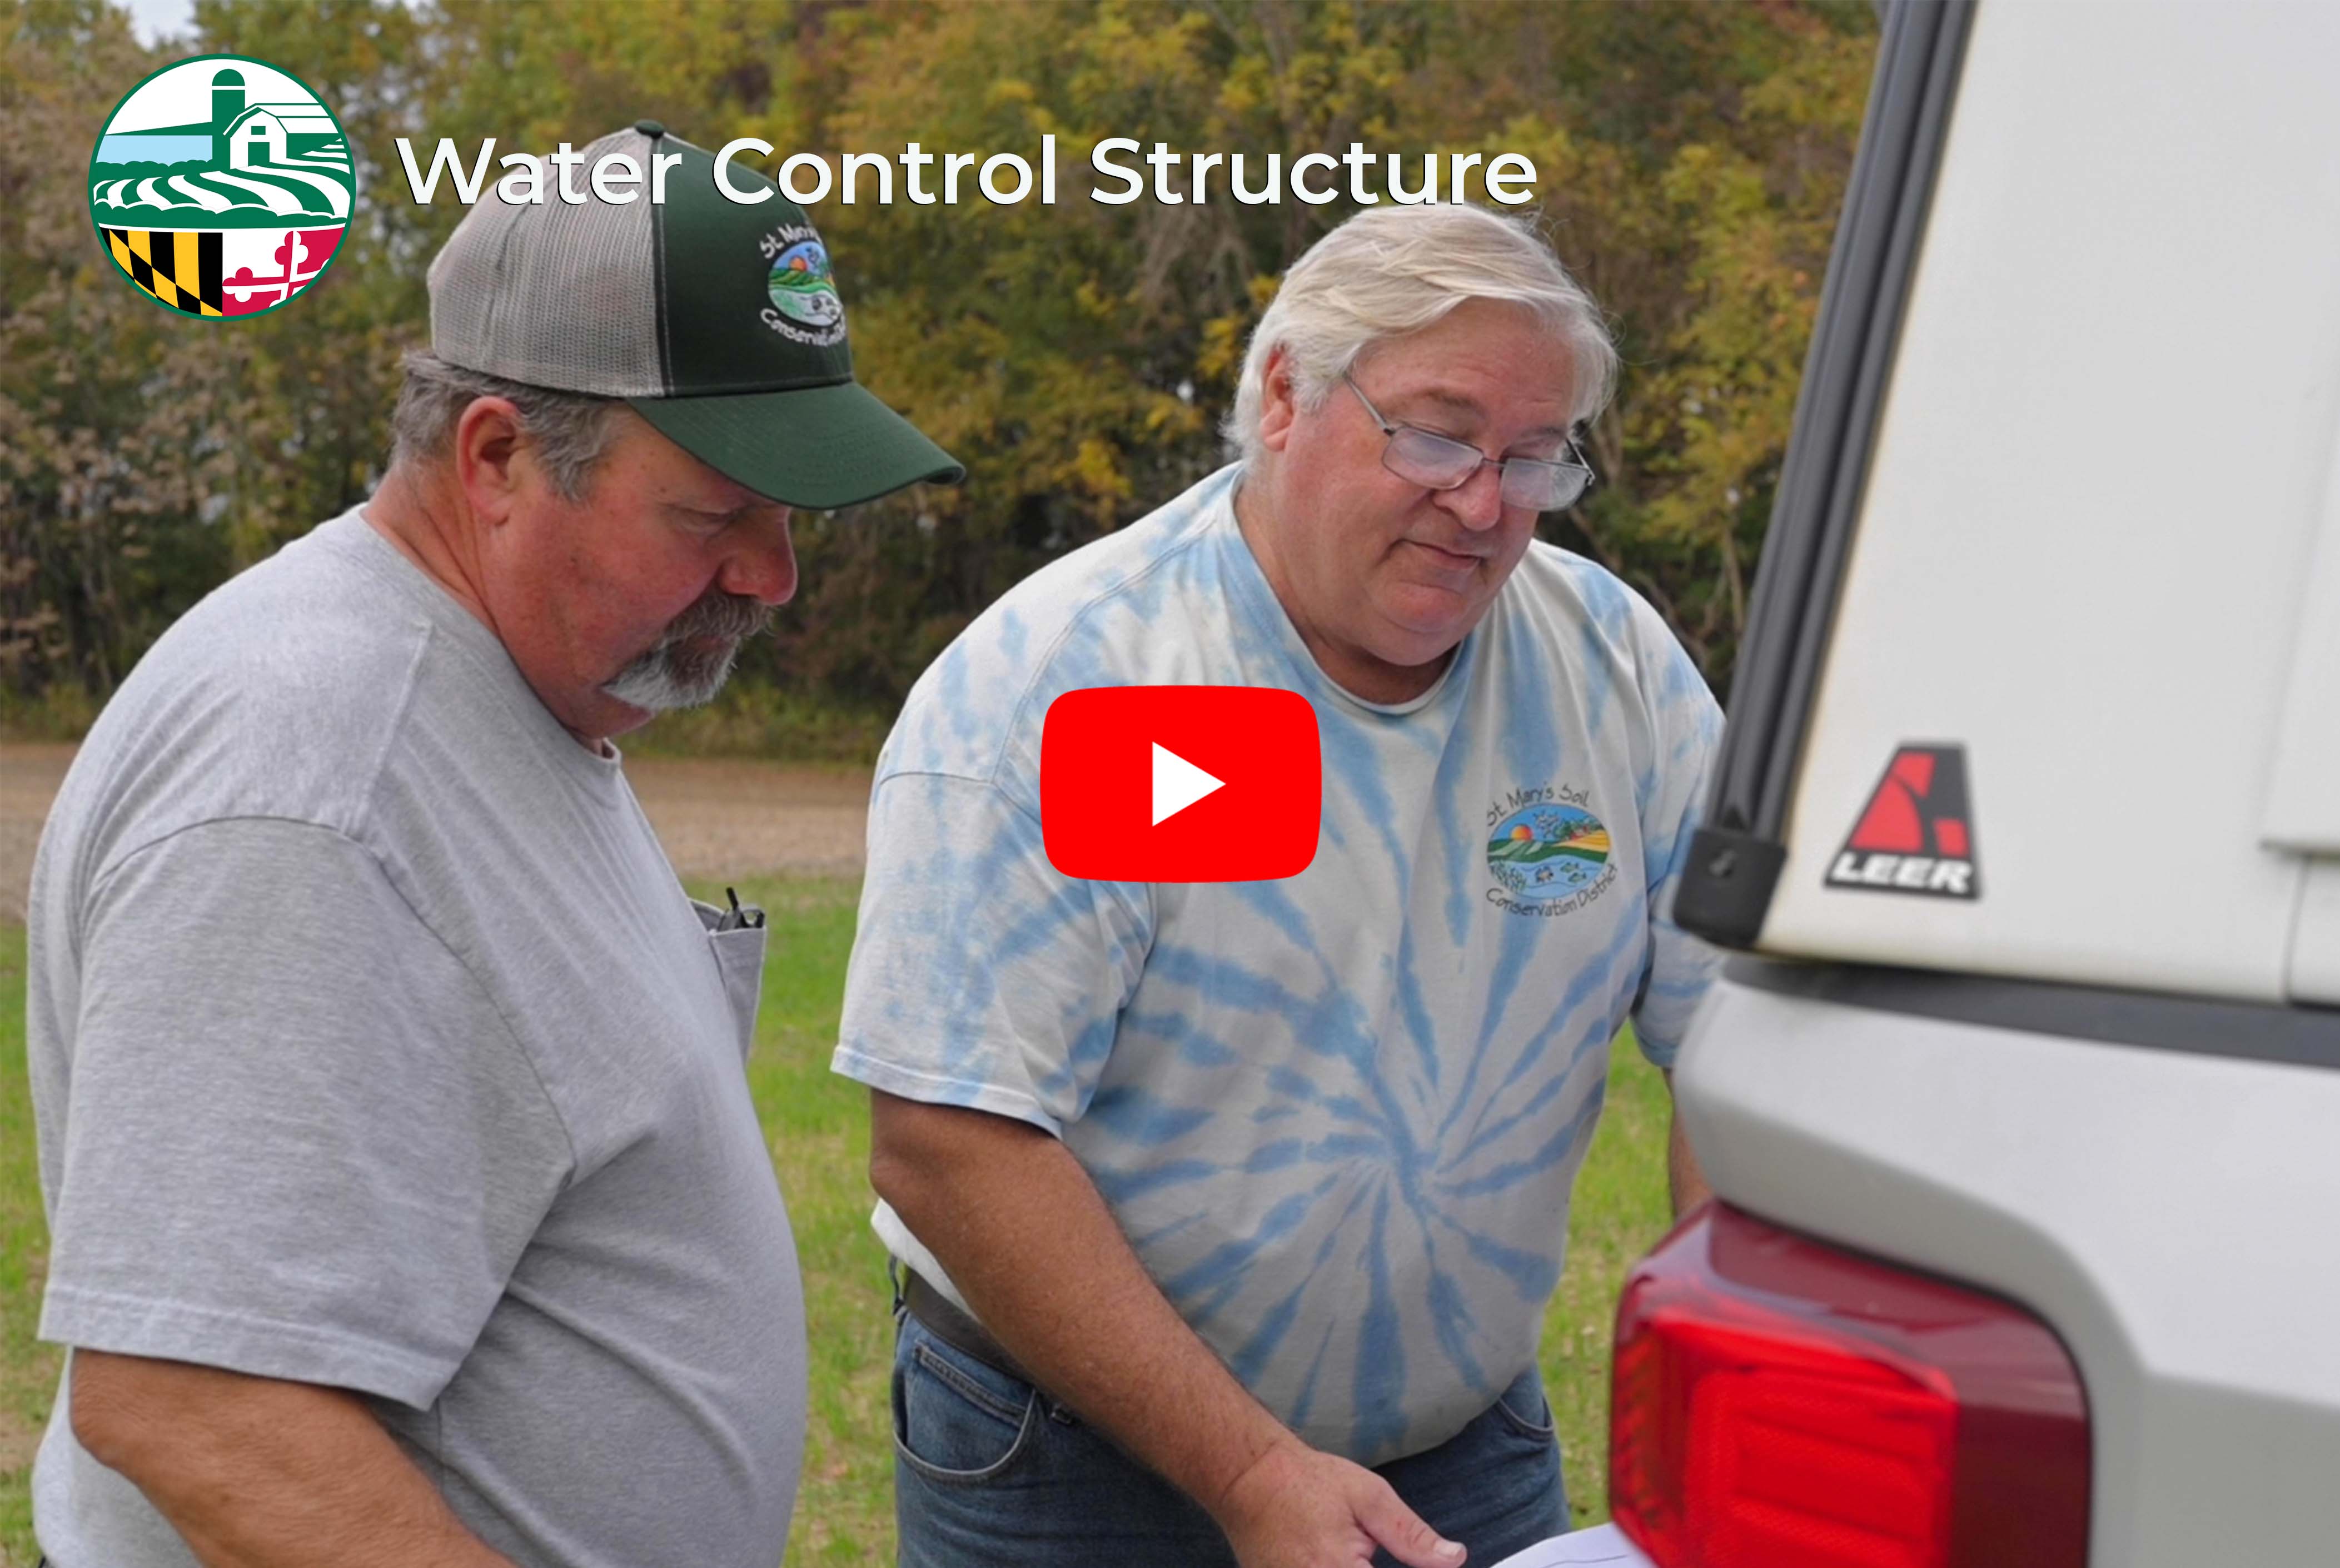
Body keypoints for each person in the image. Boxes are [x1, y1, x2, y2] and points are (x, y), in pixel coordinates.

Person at [24, 122, 959, 1568]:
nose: (772, 574)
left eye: (785, 514)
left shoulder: (516, 686)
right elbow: (200, 1402)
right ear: (499, 457)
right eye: (717, 510)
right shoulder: (317, 779)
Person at [833, 201, 1724, 1567]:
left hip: (1462, 1450)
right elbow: (951, 1141)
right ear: (1284, 397)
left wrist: (1729, 1406)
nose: (1482, 504)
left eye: (1531, 457)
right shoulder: (1083, 685)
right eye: (1434, 436)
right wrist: (1250, 1471)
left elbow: (1732, 1047)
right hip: (1073, 1466)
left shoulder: (1615, 670)